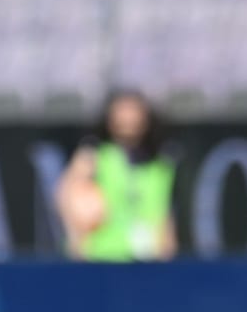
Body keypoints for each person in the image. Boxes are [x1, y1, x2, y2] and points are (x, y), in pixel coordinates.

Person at [55, 89, 177, 261]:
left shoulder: (160, 165)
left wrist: (167, 249)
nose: (128, 119)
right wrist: (77, 239)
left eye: (133, 112)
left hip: (147, 260)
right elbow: (67, 194)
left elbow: (162, 212)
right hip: (102, 257)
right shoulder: (94, 155)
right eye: (122, 112)